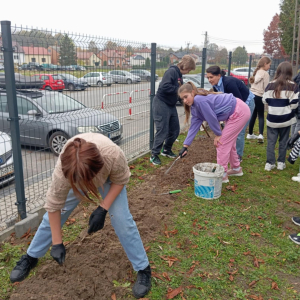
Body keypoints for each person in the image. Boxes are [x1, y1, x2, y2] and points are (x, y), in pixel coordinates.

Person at [10, 133, 151, 299]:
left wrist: (103, 208)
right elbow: (54, 206)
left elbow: (120, 180)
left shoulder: (112, 155)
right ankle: (31, 257)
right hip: (75, 177)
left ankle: (143, 268)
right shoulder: (63, 171)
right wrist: (57, 243)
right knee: (51, 219)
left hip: (107, 179)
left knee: (122, 220)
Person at [178, 82, 250, 183]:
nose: (185, 101)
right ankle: (236, 169)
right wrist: (185, 146)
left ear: (192, 92)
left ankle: (222, 175)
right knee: (229, 143)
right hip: (236, 111)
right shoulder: (195, 107)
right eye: (182, 99)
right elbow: (194, 126)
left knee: (221, 143)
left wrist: (218, 134)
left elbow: (211, 118)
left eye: (186, 97)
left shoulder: (199, 100)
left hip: (239, 112)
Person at [150, 55, 196, 165]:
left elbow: (179, 93)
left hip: (170, 104)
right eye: (189, 69)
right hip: (161, 102)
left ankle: (166, 149)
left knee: (175, 129)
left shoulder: (179, 75)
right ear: (185, 66)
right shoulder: (171, 72)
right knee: (163, 129)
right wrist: (180, 90)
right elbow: (165, 86)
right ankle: (154, 154)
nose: (188, 72)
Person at [206, 66, 254, 162]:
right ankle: (231, 154)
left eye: (211, 77)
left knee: (239, 131)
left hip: (246, 103)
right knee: (230, 131)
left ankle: (238, 156)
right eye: (208, 78)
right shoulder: (216, 86)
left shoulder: (229, 83)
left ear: (219, 75)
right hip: (234, 107)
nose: (209, 80)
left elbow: (239, 101)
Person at [262, 61, 299, 171]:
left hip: (272, 118)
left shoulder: (270, 85)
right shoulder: (293, 86)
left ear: (278, 71)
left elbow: (264, 100)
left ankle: (269, 163)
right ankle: (281, 163)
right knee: (283, 141)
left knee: (271, 142)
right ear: (290, 72)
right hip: (286, 119)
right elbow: (295, 104)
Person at [247, 56, 272, 143]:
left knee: (253, 114)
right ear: (265, 64)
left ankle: (250, 133)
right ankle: (261, 134)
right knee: (261, 115)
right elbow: (266, 87)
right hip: (260, 96)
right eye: (269, 65)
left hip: (252, 95)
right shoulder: (265, 74)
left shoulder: (256, 72)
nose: (269, 67)